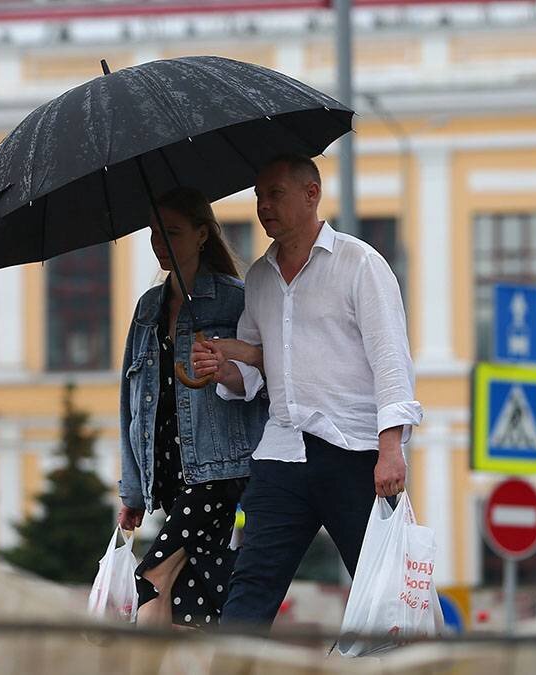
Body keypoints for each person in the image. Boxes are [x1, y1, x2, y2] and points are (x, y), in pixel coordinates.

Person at [190, 154, 423, 628]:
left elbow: (391, 359)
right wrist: (223, 369)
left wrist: (391, 447)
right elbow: (255, 371)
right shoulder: (258, 277)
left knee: (385, 595)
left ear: (311, 193)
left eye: (274, 194)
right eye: (258, 197)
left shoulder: (361, 264)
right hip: (282, 452)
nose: (263, 207)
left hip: (353, 452)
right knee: (250, 584)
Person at [117, 186, 268, 629]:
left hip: (221, 470)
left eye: (173, 233)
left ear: (203, 234)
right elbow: (130, 401)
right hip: (169, 472)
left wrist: (226, 365)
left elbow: (268, 380)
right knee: (195, 602)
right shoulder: (148, 308)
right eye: (154, 234)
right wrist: (133, 487)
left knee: (152, 578)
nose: (160, 243)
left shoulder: (235, 300)